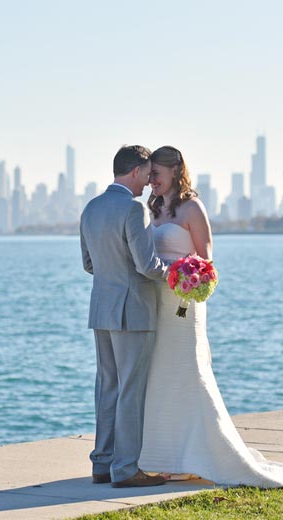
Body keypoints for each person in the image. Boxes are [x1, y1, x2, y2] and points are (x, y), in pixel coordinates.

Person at [138, 145, 283, 488]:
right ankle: (167, 457)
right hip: (157, 301)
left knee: (189, 372)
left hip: (186, 304)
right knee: (160, 376)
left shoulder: (192, 207)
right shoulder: (151, 208)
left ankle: (201, 454)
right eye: (148, 173)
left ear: (175, 171)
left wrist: (188, 278)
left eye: (155, 173)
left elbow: (207, 262)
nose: (150, 180)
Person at [79, 145, 169, 488]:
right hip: (133, 310)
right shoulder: (133, 209)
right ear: (135, 172)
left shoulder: (91, 208)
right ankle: (127, 469)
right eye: (147, 175)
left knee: (108, 387)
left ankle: (102, 464)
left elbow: (88, 264)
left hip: (101, 307)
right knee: (130, 389)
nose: (148, 183)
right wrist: (177, 272)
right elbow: (147, 266)